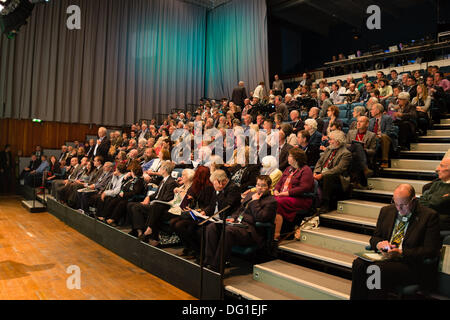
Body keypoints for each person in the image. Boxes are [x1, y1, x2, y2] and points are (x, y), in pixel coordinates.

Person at [350, 184, 441, 300]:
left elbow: (431, 250)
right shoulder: (387, 211)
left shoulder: (429, 216)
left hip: (410, 264)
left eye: (403, 205)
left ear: (413, 200)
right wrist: (379, 244)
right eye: (396, 204)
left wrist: (401, 253)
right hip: (386, 257)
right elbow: (374, 238)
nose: (399, 208)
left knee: (377, 270)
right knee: (359, 264)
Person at [204, 175, 277, 271]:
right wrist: (233, 218)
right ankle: (208, 262)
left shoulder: (271, 201)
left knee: (228, 231)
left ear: (269, 187)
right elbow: (239, 210)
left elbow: (261, 218)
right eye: (258, 185)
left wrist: (255, 202)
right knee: (212, 227)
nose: (259, 188)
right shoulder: (250, 195)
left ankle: (216, 267)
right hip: (238, 225)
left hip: (251, 230)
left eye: (263, 185)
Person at [127, 161, 178, 244]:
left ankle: (142, 231)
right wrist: (148, 197)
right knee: (130, 205)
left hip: (161, 207)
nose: (159, 170)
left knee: (136, 207)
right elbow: (156, 194)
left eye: (161, 168)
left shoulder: (171, 182)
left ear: (164, 170)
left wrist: (153, 201)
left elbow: (166, 199)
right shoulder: (163, 180)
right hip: (155, 204)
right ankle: (137, 230)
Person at [273, 148, 314, 239]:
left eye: (290, 156)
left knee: (277, 202)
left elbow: (304, 188)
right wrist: (276, 190)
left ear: (296, 158)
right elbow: (279, 183)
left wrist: (287, 193)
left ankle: (277, 233)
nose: (288, 158)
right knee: (268, 200)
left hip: (301, 198)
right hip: (284, 196)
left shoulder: (306, 170)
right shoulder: (288, 169)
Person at [314, 130, 352, 214]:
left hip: (338, 178)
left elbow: (338, 169)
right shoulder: (329, 149)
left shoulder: (346, 153)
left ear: (337, 141)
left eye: (331, 139)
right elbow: (319, 162)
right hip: (323, 173)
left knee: (328, 177)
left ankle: (326, 204)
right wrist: (316, 172)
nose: (329, 141)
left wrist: (322, 175)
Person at [419, 157, 450, 231]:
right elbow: (422, 202)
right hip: (430, 223)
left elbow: (438, 201)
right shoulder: (435, 184)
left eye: (442, 166)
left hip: (443, 227)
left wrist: (430, 198)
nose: (437, 169)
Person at [346, 116, 377, 189]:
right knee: (357, 146)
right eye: (358, 121)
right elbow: (346, 145)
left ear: (367, 124)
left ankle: (355, 182)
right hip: (349, 153)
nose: (358, 123)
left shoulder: (371, 135)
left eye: (361, 122)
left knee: (356, 154)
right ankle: (365, 169)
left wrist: (364, 149)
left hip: (363, 157)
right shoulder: (351, 132)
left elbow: (373, 151)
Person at [369, 103, 396, 168]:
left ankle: (385, 161)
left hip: (386, 138)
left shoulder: (387, 118)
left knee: (384, 137)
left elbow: (389, 131)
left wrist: (379, 135)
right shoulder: (371, 120)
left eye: (372, 109)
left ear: (378, 111)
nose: (370, 111)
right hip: (375, 138)